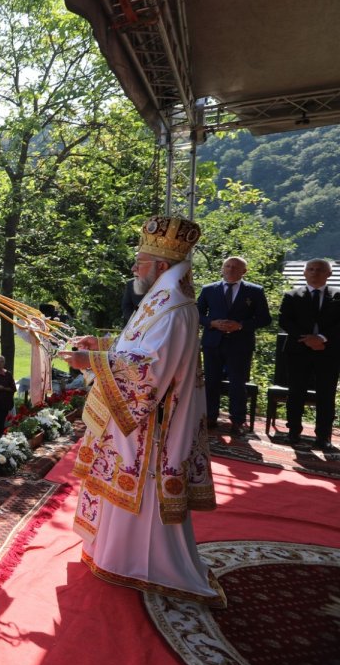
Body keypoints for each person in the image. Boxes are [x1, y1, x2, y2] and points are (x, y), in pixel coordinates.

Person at [58, 214, 223, 607]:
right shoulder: (160, 300)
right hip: (136, 425)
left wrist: (93, 361)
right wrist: (99, 344)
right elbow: (137, 346)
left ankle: (139, 564)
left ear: (162, 267)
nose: (135, 268)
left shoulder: (175, 307)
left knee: (139, 486)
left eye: (140, 262)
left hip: (153, 429)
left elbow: (149, 371)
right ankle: (113, 554)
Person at [195, 256, 272, 437]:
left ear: (244, 271)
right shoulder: (209, 289)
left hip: (240, 345)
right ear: (222, 269)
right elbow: (196, 314)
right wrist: (212, 323)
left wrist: (241, 325)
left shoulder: (254, 291)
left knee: (238, 384)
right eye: (227, 266)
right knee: (211, 382)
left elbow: (265, 319)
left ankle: (237, 421)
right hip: (213, 343)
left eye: (235, 267)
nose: (230, 269)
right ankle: (210, 417)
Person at [277, 258, 340, 451]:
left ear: (329, 274)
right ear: (305, 273)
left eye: (320, 270)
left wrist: (321, 338)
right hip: (298, 352)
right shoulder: (291, 295)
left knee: (326, 395)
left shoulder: (338, 296)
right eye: (310, 269)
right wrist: (308, 339)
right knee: (296, 393)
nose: (314, 272)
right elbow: (284, 321)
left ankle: (323, 437)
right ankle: (293, 432)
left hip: (328, 352)